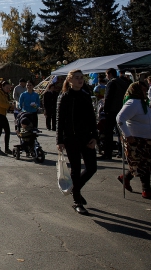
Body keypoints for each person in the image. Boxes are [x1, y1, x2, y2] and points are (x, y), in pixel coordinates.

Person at [56, 69, 98, 215]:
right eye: (77, 78)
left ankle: (75, 189)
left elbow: (93, 119)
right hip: (71, 138)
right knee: (75, 168)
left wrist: (95, 137)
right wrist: (59, 140)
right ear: (70, 80)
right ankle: (77, 201)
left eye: (82, 78)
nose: (80, 80)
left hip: (86, 137)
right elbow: (60, 120)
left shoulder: (86, 95)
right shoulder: (65, 97)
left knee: (92, 167)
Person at [116, 82, 151, 201]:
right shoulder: (132, 103)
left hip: (146, 139)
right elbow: (120, 118)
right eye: (143, 90)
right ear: (136, 90)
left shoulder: (142, 103)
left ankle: (125, 178)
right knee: (143, 166)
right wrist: (127, 135)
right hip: (137, 139)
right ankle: (146, 190)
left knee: (143, 164)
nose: (145, 92)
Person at [101, 68, 126, 159]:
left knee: (108, 132)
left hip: (112, 110)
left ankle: (108, 153)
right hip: (121, 109)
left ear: (110, 74)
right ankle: (121, 151)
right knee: (121, 132)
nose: (106, 77)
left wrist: (105, 109)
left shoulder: (111, 83)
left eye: (107, 75)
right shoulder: (122, 82)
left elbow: (108, 98)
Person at [0, 81, 13, 155]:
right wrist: (9, 106)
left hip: (3, 114)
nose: (8, 89)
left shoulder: (4, 94)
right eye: (7, 87)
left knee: (7, 131)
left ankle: (6, 148)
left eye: (9, 88)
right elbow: (0, 103)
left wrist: (10, 106)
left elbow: (6, 103)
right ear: (3, 87)